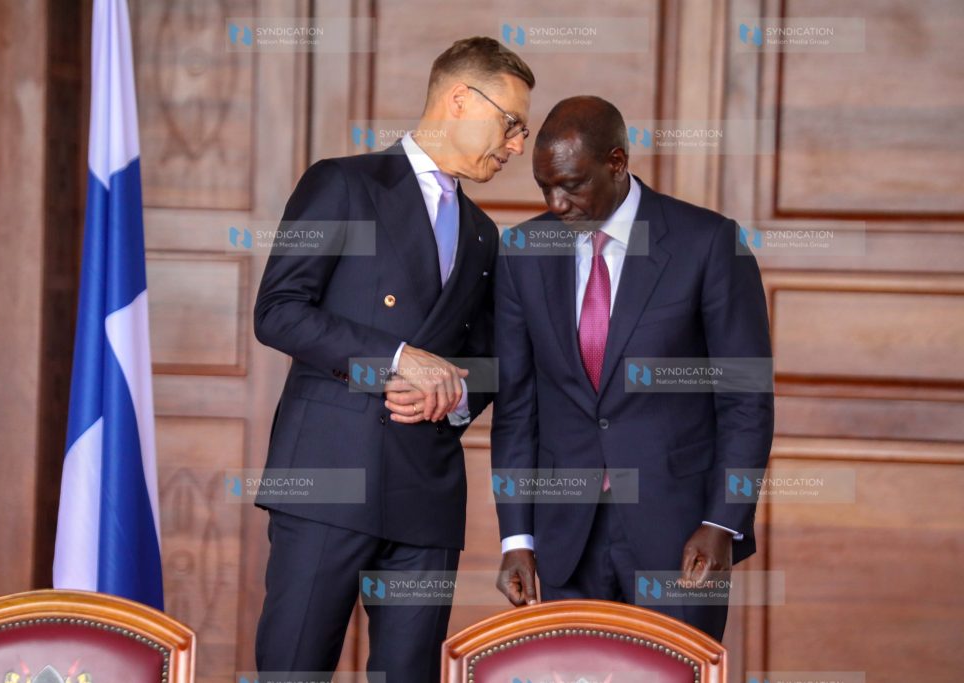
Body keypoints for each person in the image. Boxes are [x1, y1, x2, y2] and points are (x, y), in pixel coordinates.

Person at [252, 37, 534, 682]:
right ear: (461, 98)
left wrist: (457, 394)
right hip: (328, 478)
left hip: (426, 492)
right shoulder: (342, 182)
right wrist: (399, 360)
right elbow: (278, 310)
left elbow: (487, 358)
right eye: (512, 123)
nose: (517, 145)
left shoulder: (484, 232)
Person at [492, 96, 773, 641]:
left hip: (681, 536)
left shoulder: (708, 243)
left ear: (616, 163)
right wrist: (516, 539)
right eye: (543, 186)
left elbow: (746, 400)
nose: (556, 202)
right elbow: (516, 406)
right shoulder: (522, 251)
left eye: (571, 184)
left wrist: (722, 523)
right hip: (565, 537)